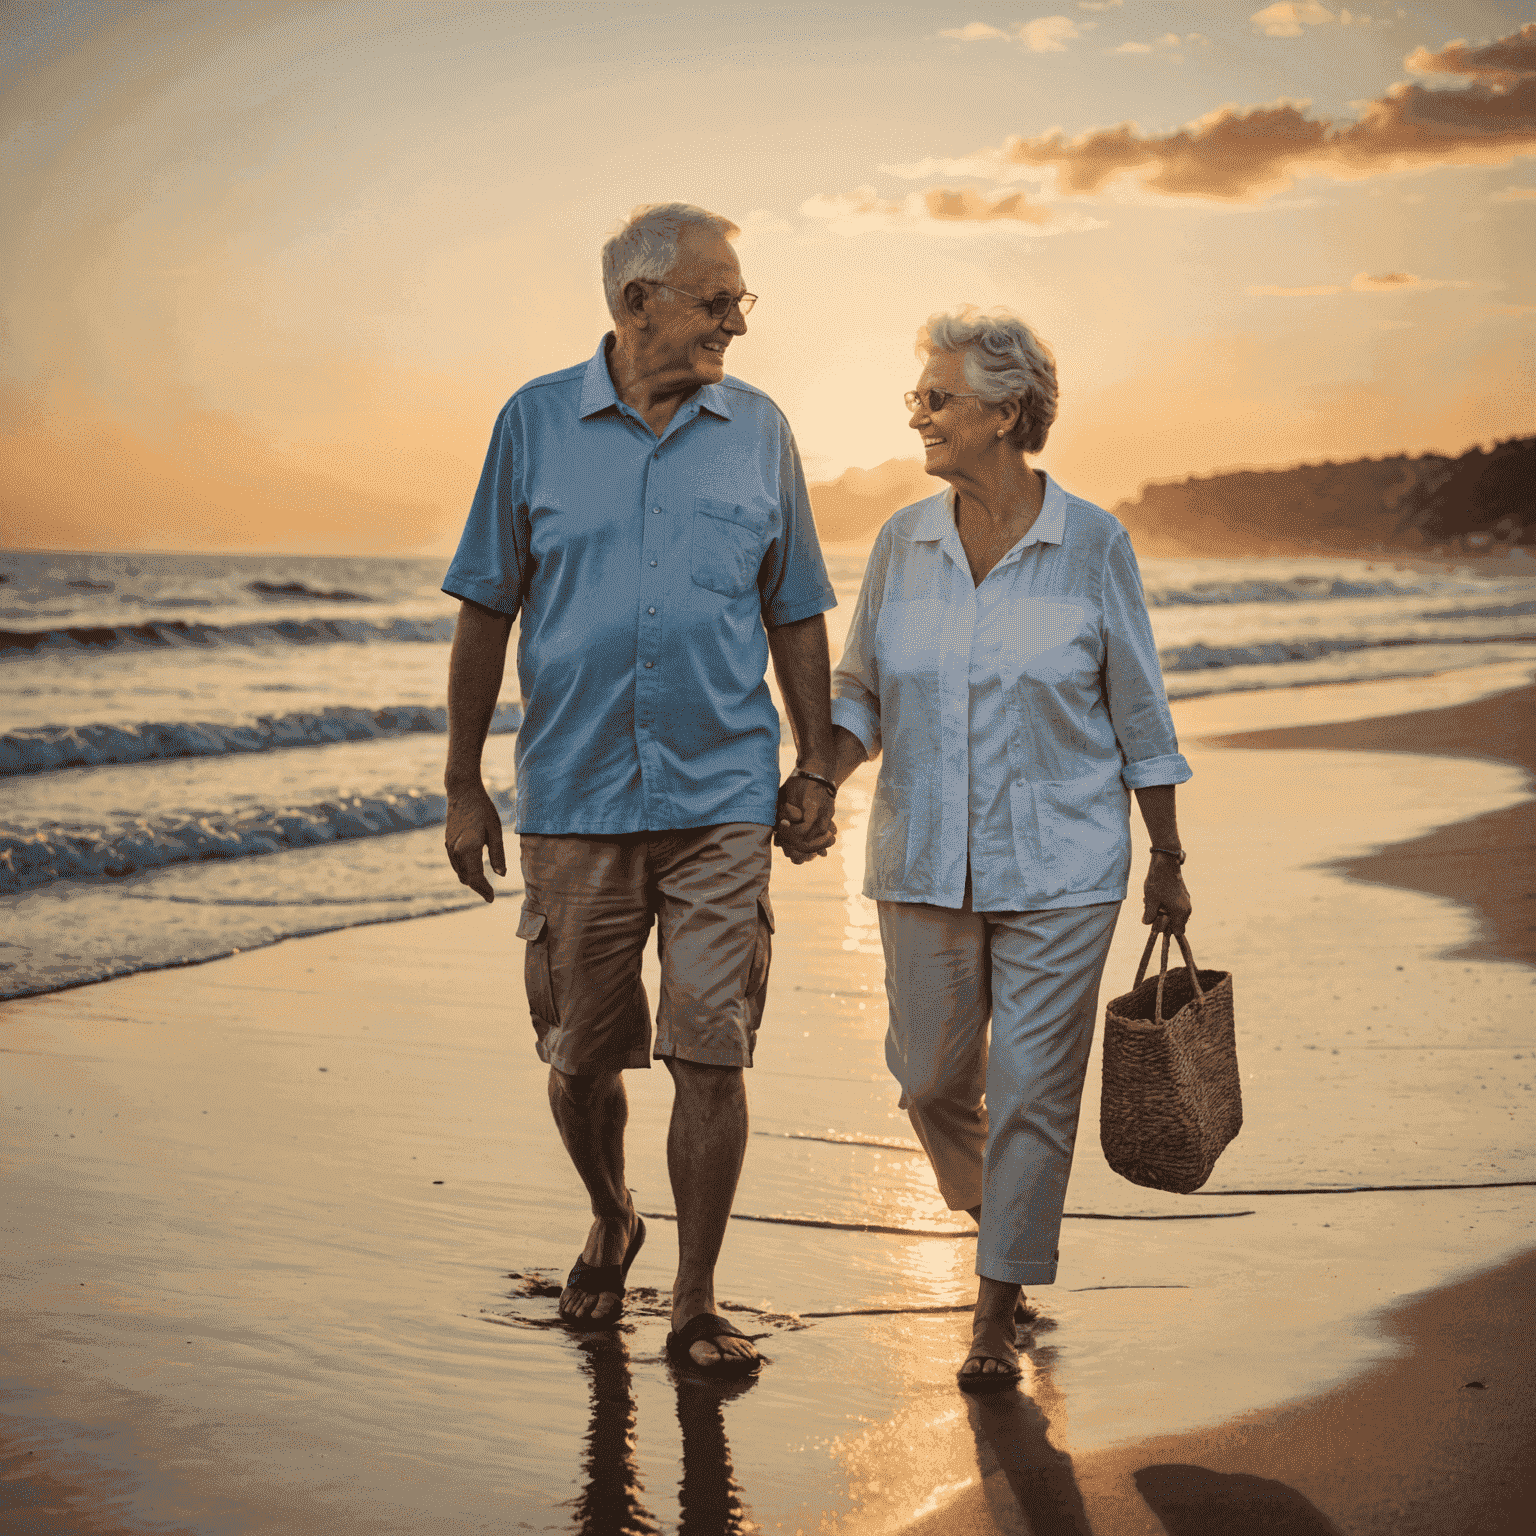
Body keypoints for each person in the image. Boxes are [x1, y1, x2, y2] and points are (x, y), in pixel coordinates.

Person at [440, 203, 838, 1378]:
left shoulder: (759, 431)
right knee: (579, 1057)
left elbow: (796, 609)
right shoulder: (532, 424)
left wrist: (814, 763)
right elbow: (485, 610)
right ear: (637, 303)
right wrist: (462, 785)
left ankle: (699, 1298)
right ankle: (614, 1213)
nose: (737, 320)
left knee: (712, 1049)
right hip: (572, 798)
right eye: (718, 300)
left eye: (739, 299)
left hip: (721, 799)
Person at [819, 305, 1194, 1390]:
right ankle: (1006, 1229)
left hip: (1064, 862)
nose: (920, 416)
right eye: (918, 397)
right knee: (932, 1078)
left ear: (1007, 413)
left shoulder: (1091, 544)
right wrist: (814, 782)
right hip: (921, 854)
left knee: (1033, 1091)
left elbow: (1139, 708)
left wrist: (1166, 857)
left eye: (939, 399)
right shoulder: (903, 542)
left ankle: (993, 1310)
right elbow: (859, 692)